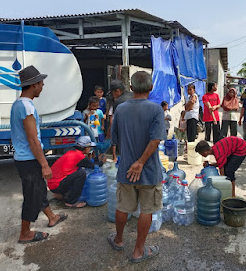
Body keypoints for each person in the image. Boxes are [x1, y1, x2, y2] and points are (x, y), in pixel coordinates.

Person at [109, 71, 165, 263]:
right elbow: (156, 139)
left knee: (123, 206)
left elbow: (114, 139)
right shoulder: (156, 109)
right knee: (147, 210)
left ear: (131, 88)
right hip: (149, 171)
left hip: (126, 169)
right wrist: (141, 162)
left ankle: (118, 240)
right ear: (151, 88)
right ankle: (138, 251)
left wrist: (133, 160)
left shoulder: (120, 109)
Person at [10, 65, 67, 244]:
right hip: (29, 159)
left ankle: (51, 217)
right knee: (32, 197)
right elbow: (33, 140)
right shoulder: (26, 107)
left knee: (39, 190)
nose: (42, 86)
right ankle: (25, 233)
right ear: (34, 84)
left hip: (25, 158)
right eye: (41, 83)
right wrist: (44, 164)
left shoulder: (18, 104)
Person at [47, 136, 106, 208]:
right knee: (81, 174)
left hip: (53, 183)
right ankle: (71, 202)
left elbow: (87, 163)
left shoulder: (73, 153)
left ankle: (61, 193)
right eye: (89, 147)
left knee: (77, 171)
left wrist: (97, 159)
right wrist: (102, 163)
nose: (90, 149)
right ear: (85, 147)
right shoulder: (79, 156)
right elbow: (91, 165)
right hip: (57, 185)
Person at [108, 79, 134, 162]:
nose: (113, 95)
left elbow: (118, 119)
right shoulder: (133, 95)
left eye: (112, 93)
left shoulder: (119, 102)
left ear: (117, 91)